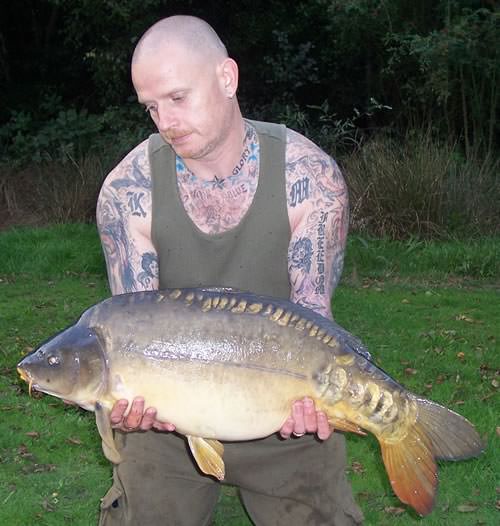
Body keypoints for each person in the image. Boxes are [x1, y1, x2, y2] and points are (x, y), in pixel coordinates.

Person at [96, 15, 364, 526]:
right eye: (151, 107)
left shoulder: (308, 176)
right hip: (167, 424)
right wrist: (126, 400)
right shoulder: (127, 193)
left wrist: (314, 399)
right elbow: (128, 333)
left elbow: (313, 319)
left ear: (227, 78)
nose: (165, 120)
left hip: (283, 412)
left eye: (178, 97)